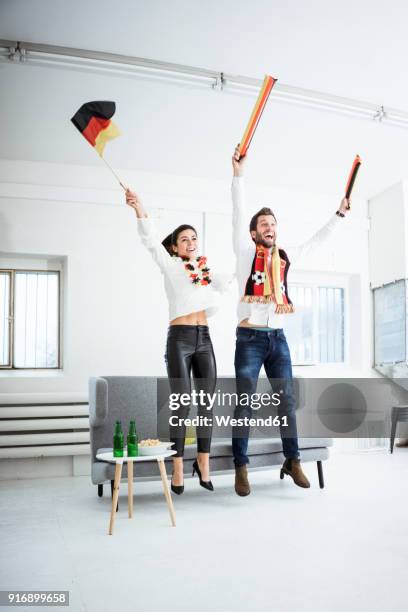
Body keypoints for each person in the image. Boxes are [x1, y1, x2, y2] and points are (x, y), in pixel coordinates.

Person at [231, 145, 350, 496]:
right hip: (250, 339)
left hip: (278, 338)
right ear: (254, 233)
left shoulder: (285, 256)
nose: (269, 227)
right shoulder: (244, 252)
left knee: (286, 400)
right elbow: (237, 213)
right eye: (263, 224)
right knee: (245, 403)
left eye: (273, 224)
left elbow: (317, 241)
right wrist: (238, 175)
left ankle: (292, 458)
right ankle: (241, 465)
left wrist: (339, 215)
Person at [126, 187, 231, 495]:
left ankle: (203, 463)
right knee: (182, 404)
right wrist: (139, 208)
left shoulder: (205, 270)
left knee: (206, 405)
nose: (191, 242)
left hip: (204, 337)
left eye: (194, 238)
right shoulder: (170, 265)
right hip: (180, 339)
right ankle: (178, 466)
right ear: (174, 246)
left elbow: (231, 280)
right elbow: (149, 240)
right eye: (184, 239)